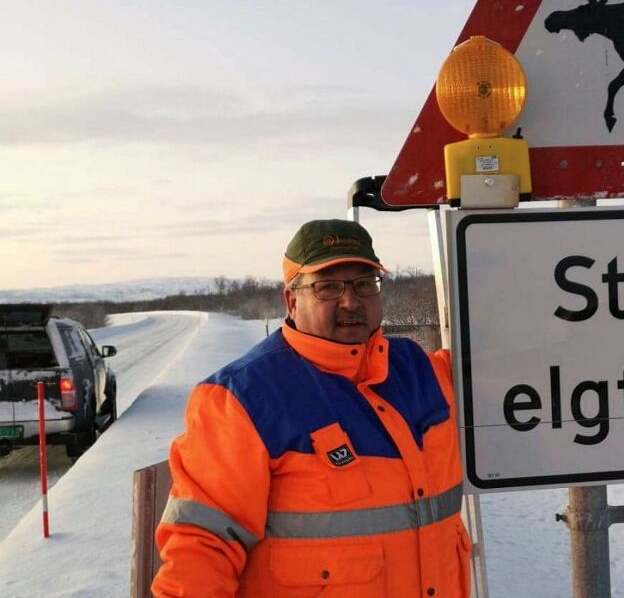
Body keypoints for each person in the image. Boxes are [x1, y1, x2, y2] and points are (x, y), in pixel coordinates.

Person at [152, 219, 470, 598]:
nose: (350, 301)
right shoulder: (242, 399)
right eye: (328, 287)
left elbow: (514, 362)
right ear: (291, 300)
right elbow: (200, 549)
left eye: (364, 284)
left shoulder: (422, 371)